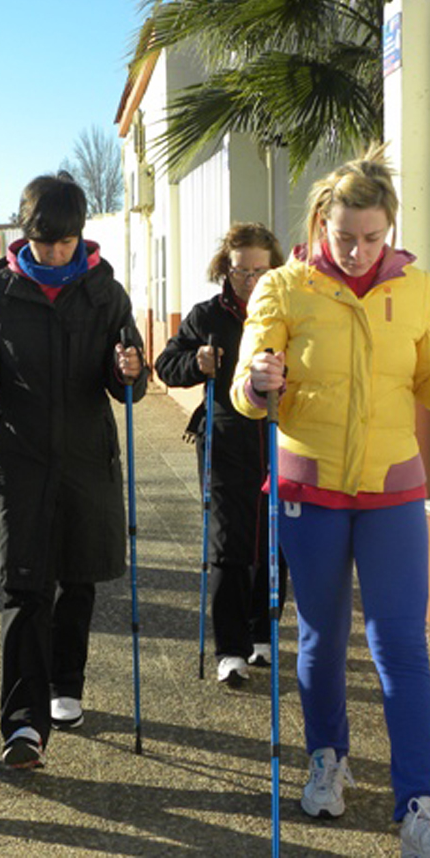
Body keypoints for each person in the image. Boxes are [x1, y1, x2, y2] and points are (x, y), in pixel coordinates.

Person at [231, 143, 430, 858]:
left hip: (392, 487)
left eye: (371, 237)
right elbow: (246, 394)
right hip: (307, 484)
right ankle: (327, 760)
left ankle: (419, 805)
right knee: (319, 636)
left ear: (389, 230)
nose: (355, 249)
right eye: (343, 235)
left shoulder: (416, 289)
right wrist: (261, 381)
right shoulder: (283, 287)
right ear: (321, 221)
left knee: (399, 642)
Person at [0, 173, 145, 770]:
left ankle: (67, 682)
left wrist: (129, 369)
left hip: (87, 460)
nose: (55, 253)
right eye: (44, 241)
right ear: (26, 232)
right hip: (20, 460)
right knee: (24, 586)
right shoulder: (2, 291)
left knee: (77, 580)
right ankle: (22, 725)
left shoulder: (105, 292)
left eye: (65, 242)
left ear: (80, 236)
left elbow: (128, 385)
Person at [155, 222, 288, 688]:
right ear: (225, 270)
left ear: (274, 268)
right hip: (225, 441)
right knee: (229, 542)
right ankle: (230, 649)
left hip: (280, 439)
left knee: (274, 537)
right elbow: (164, 365)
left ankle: (263, 633)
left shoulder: (289, 313)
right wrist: (196, 363)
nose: (249, 280)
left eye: (258, 271)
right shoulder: (206, 316)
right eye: (240, 272)